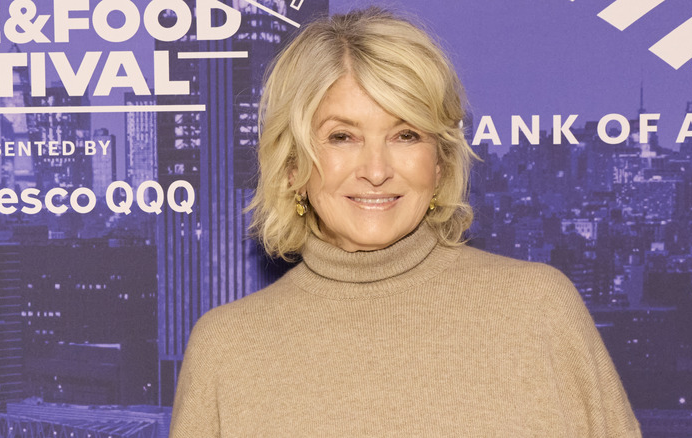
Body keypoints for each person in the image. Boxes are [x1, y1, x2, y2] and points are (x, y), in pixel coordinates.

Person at [169, 7, 641, 437]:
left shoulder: (538, 309)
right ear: (292, 166)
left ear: (439, 163)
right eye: (342, 136)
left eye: (405, 134)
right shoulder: (227, 348)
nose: (376, 170)